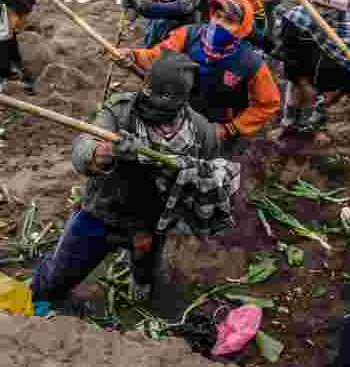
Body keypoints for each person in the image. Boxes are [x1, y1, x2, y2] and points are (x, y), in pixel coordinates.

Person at [31, 53, 238, 313]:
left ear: (180, 100)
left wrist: (188, 175)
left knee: (145, 264)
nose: (146, 103)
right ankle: (43, 295)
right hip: (102, 211)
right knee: (63, 268)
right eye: (146, 91)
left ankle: (141, 282)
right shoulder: (120, 111)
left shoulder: (201, 133)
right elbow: (82, 149)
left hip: (152, 221)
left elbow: (209, 176)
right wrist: (102, 154)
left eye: (159, 98)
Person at [121, 0, 281, 155]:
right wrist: (134, 56)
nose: (219, 24)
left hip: (217, 127)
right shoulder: (189, 35)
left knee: (205, 165)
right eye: (218, 16)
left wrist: (231, 128)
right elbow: (157, 57)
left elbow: (268, 104)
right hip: (181, 112)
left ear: (242, 29)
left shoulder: (250, 63)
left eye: (229, 21)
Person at [276, 0, 350, 143]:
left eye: (326, 6)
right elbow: (289, 54)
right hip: (301, 73)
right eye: (316, 5)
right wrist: (303, 83)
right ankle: (289, 125)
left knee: (323, 106)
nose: (319, 11)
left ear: (342, 8)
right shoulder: (297, 20)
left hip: (331, 79)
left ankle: (316, 127)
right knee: (293, 100)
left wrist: (340, 91)